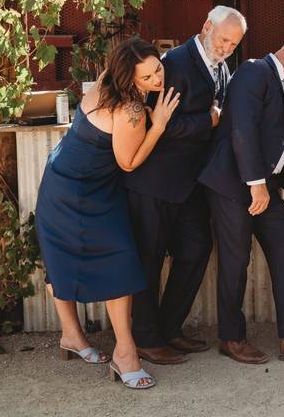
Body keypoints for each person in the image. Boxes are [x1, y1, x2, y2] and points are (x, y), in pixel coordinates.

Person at [35, 37, 181, 390]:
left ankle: (78, 338)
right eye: (147, 78)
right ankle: (121, 352)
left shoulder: (107, 79)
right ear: (128, 78)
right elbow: (128, 163)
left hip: (71, 181)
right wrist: (158, 124)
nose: (158, 80)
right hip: (73, 191)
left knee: (92, 258)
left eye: (158, 69)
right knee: (116, 260)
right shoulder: (131, 109)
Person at [197, 35, 284, 364]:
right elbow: (242, 129)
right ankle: (231, 339)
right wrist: (256, 183)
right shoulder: (254, 71)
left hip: (265, 185)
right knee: (236, 261)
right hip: (234, 183)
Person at [124, 6, 246, 365]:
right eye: (223, 38)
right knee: (147, 260)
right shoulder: (173, 63)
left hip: (189, 184)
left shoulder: (222, 66)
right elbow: (158, 126)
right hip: (152, 182)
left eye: (233, 43)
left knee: (195, 248)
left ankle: (169, 328)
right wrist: (207, 120)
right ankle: (146, 339)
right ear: (206, 26)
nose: (226, 47)